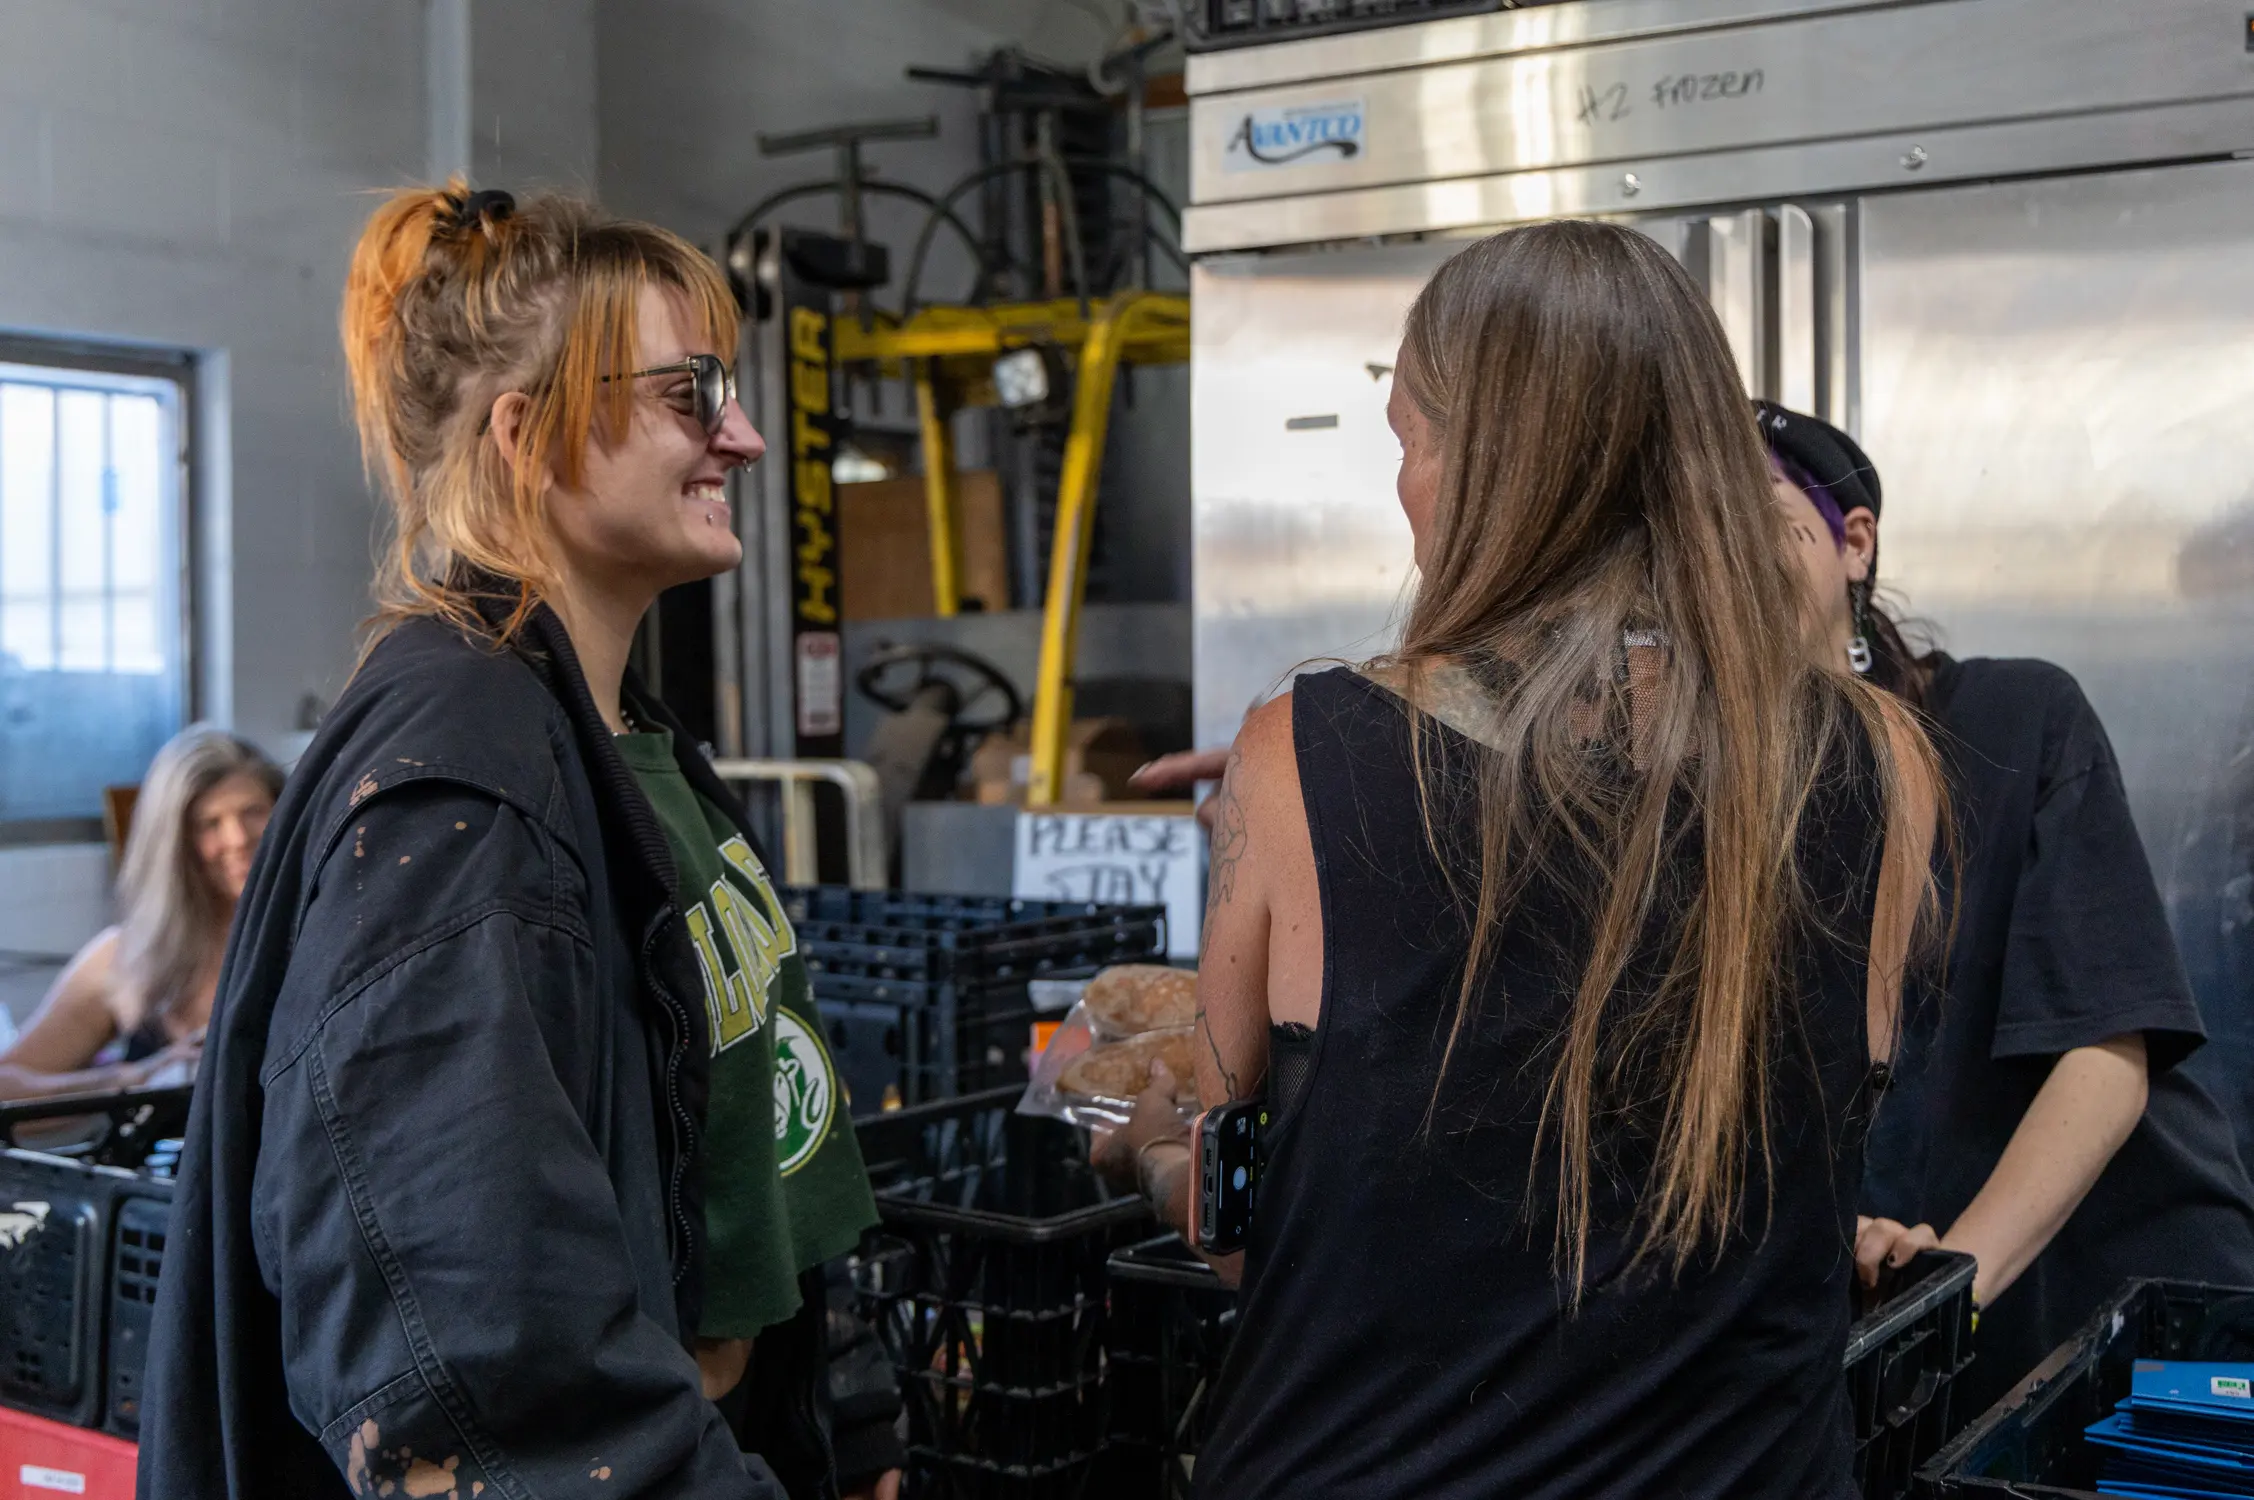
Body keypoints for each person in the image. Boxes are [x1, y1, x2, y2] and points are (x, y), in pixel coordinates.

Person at [1110, 220, 1942, 1498]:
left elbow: (1234, 1232)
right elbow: (1817, 1150)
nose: (1405, 488)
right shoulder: (1883, 761)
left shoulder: (1297, 754)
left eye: (1410, 441)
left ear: (1492, 466)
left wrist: (1151, 1149)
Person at [139, 183, 898, 1500]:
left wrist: (843, 1416)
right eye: (690, 393)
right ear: (525, 433)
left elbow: (743, 1168)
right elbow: (469, 1365)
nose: (743, 437)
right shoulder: (464, 777)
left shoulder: (614, 738)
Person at [1760, 401, 2254, 1415]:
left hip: (2129, 1315)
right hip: (1912, 1368)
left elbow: (2106, 1054)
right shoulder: (1720, 811)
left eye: (1753, 516)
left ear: (1854, 543)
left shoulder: (2013, 720)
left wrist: (1939, 1297)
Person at [0, 725, 279, 1101]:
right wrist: (133, 1079)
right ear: (173, 844)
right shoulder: (123, 957)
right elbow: (8, 1088)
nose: (238, 838)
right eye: (209, 824)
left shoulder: (315, 938)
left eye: (253, 812)